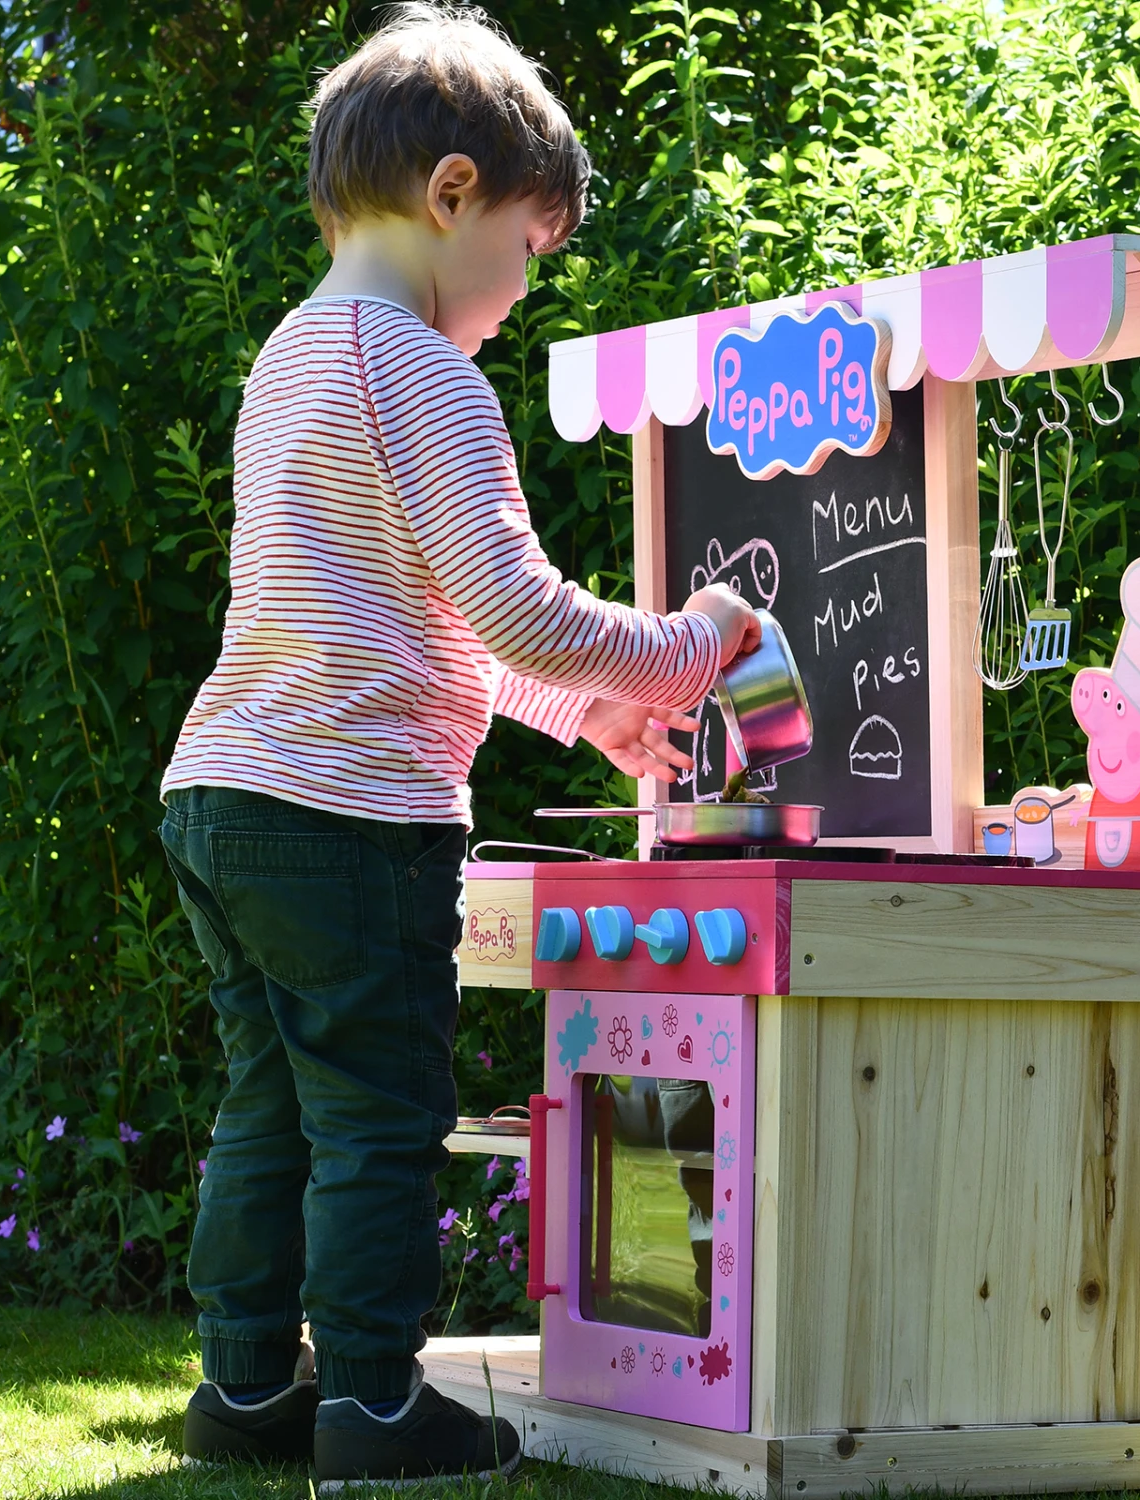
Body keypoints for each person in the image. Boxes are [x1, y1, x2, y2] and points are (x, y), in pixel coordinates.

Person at [159, 3, 759, 1485]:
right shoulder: (422, 371)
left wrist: (596, 711)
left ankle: (241, 1392)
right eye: (529, 249)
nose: (521, 287)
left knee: (270, 1099)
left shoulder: (291, 361)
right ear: (450, 195)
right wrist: (691, 647)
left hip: (225, 795)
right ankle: (370, 1403)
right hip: (348, 816)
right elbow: (515, 604)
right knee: (378, 1111)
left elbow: (416, 621)